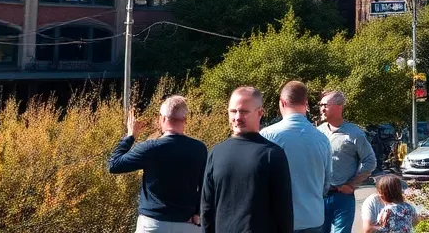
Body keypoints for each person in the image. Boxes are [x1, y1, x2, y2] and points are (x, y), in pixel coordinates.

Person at [109, 95, 209, 232]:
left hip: (153, 224)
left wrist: (130, 136)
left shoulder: (150, 148)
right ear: (185, 120)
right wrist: (198, 212)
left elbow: (114, 165)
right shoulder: (199, 149)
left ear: (162, 118)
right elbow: (205, 185)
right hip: (188, 224)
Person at [201, 86, 294, 233]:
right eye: (233, 111)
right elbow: (207, 207)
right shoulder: (216, 153)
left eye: (244, 111)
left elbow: (283, 210)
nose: (237, 117)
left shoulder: (272, 154)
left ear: (260, 113)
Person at [260, 81, 333, 233]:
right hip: (313, 217)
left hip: (277, 219)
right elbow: (326, 183)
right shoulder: (322, 139)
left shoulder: (267, 136)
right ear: (306, 104)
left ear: (282, 102)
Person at [318, 90, 377, 233]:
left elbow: (370, 161)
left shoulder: (355, 134)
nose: (321, 108)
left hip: (343, 196)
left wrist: (351, 184)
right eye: (320, 105)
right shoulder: (317, 132)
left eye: (325, 105)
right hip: (320, 196)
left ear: (339, 107)